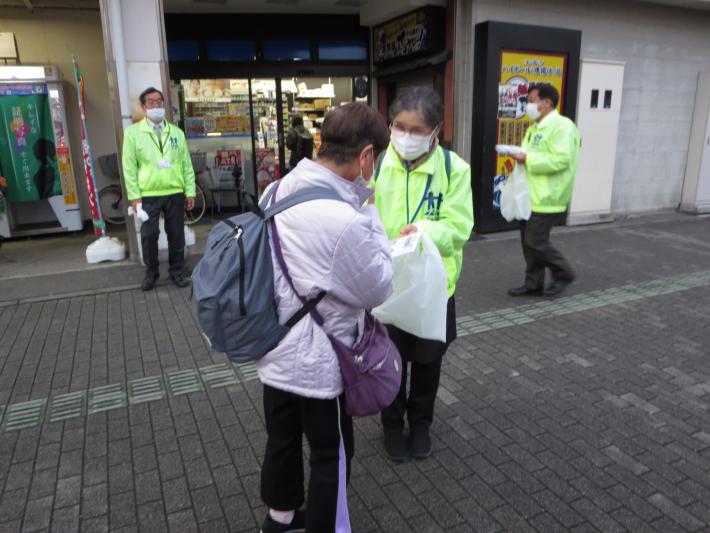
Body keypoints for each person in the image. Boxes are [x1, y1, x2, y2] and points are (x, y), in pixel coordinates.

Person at [257, 103, 393, 533]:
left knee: (280, 438)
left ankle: (280, 519)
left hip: (273, 349)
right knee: (330, 453)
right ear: (367, 156)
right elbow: (378, 287)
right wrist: (370, 213)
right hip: (319, 363)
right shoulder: (346, 220)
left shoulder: (275, 191)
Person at [373, 87, 474, 462]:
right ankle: (390, 424)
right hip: (389, 284)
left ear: (436, 130)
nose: (406, 136)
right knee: (390, 359)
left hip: (434, 287)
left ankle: (420, 425)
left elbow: (460, 227)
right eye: (399, 126)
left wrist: (425, 231)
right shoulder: (379, 164)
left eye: (417, 130)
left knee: (428, 362)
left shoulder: (455, 169)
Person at [508, 83, 580, 297]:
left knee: (535, 241)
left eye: (531, 101)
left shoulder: (562, 126)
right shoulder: (535, 127)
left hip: (548, 196)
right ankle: (533, 283)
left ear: (547, 103)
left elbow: (562, 160)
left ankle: (564, 272)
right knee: (528, 244)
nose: (528, 106)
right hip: (529, 195)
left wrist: (527, 158)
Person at [122, 87, 196, 291]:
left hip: (174, 191)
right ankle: (151, 273)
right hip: (148, 194)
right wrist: (134, 197)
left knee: (176, 235)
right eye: (151, 102)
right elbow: (129, 167)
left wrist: (190, 191)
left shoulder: (176, 133)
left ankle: (177, 271)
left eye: (160, 102)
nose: (156, 106)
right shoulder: (133, 134)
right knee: (148, 235)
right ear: (144, 106)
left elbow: (186, 164)